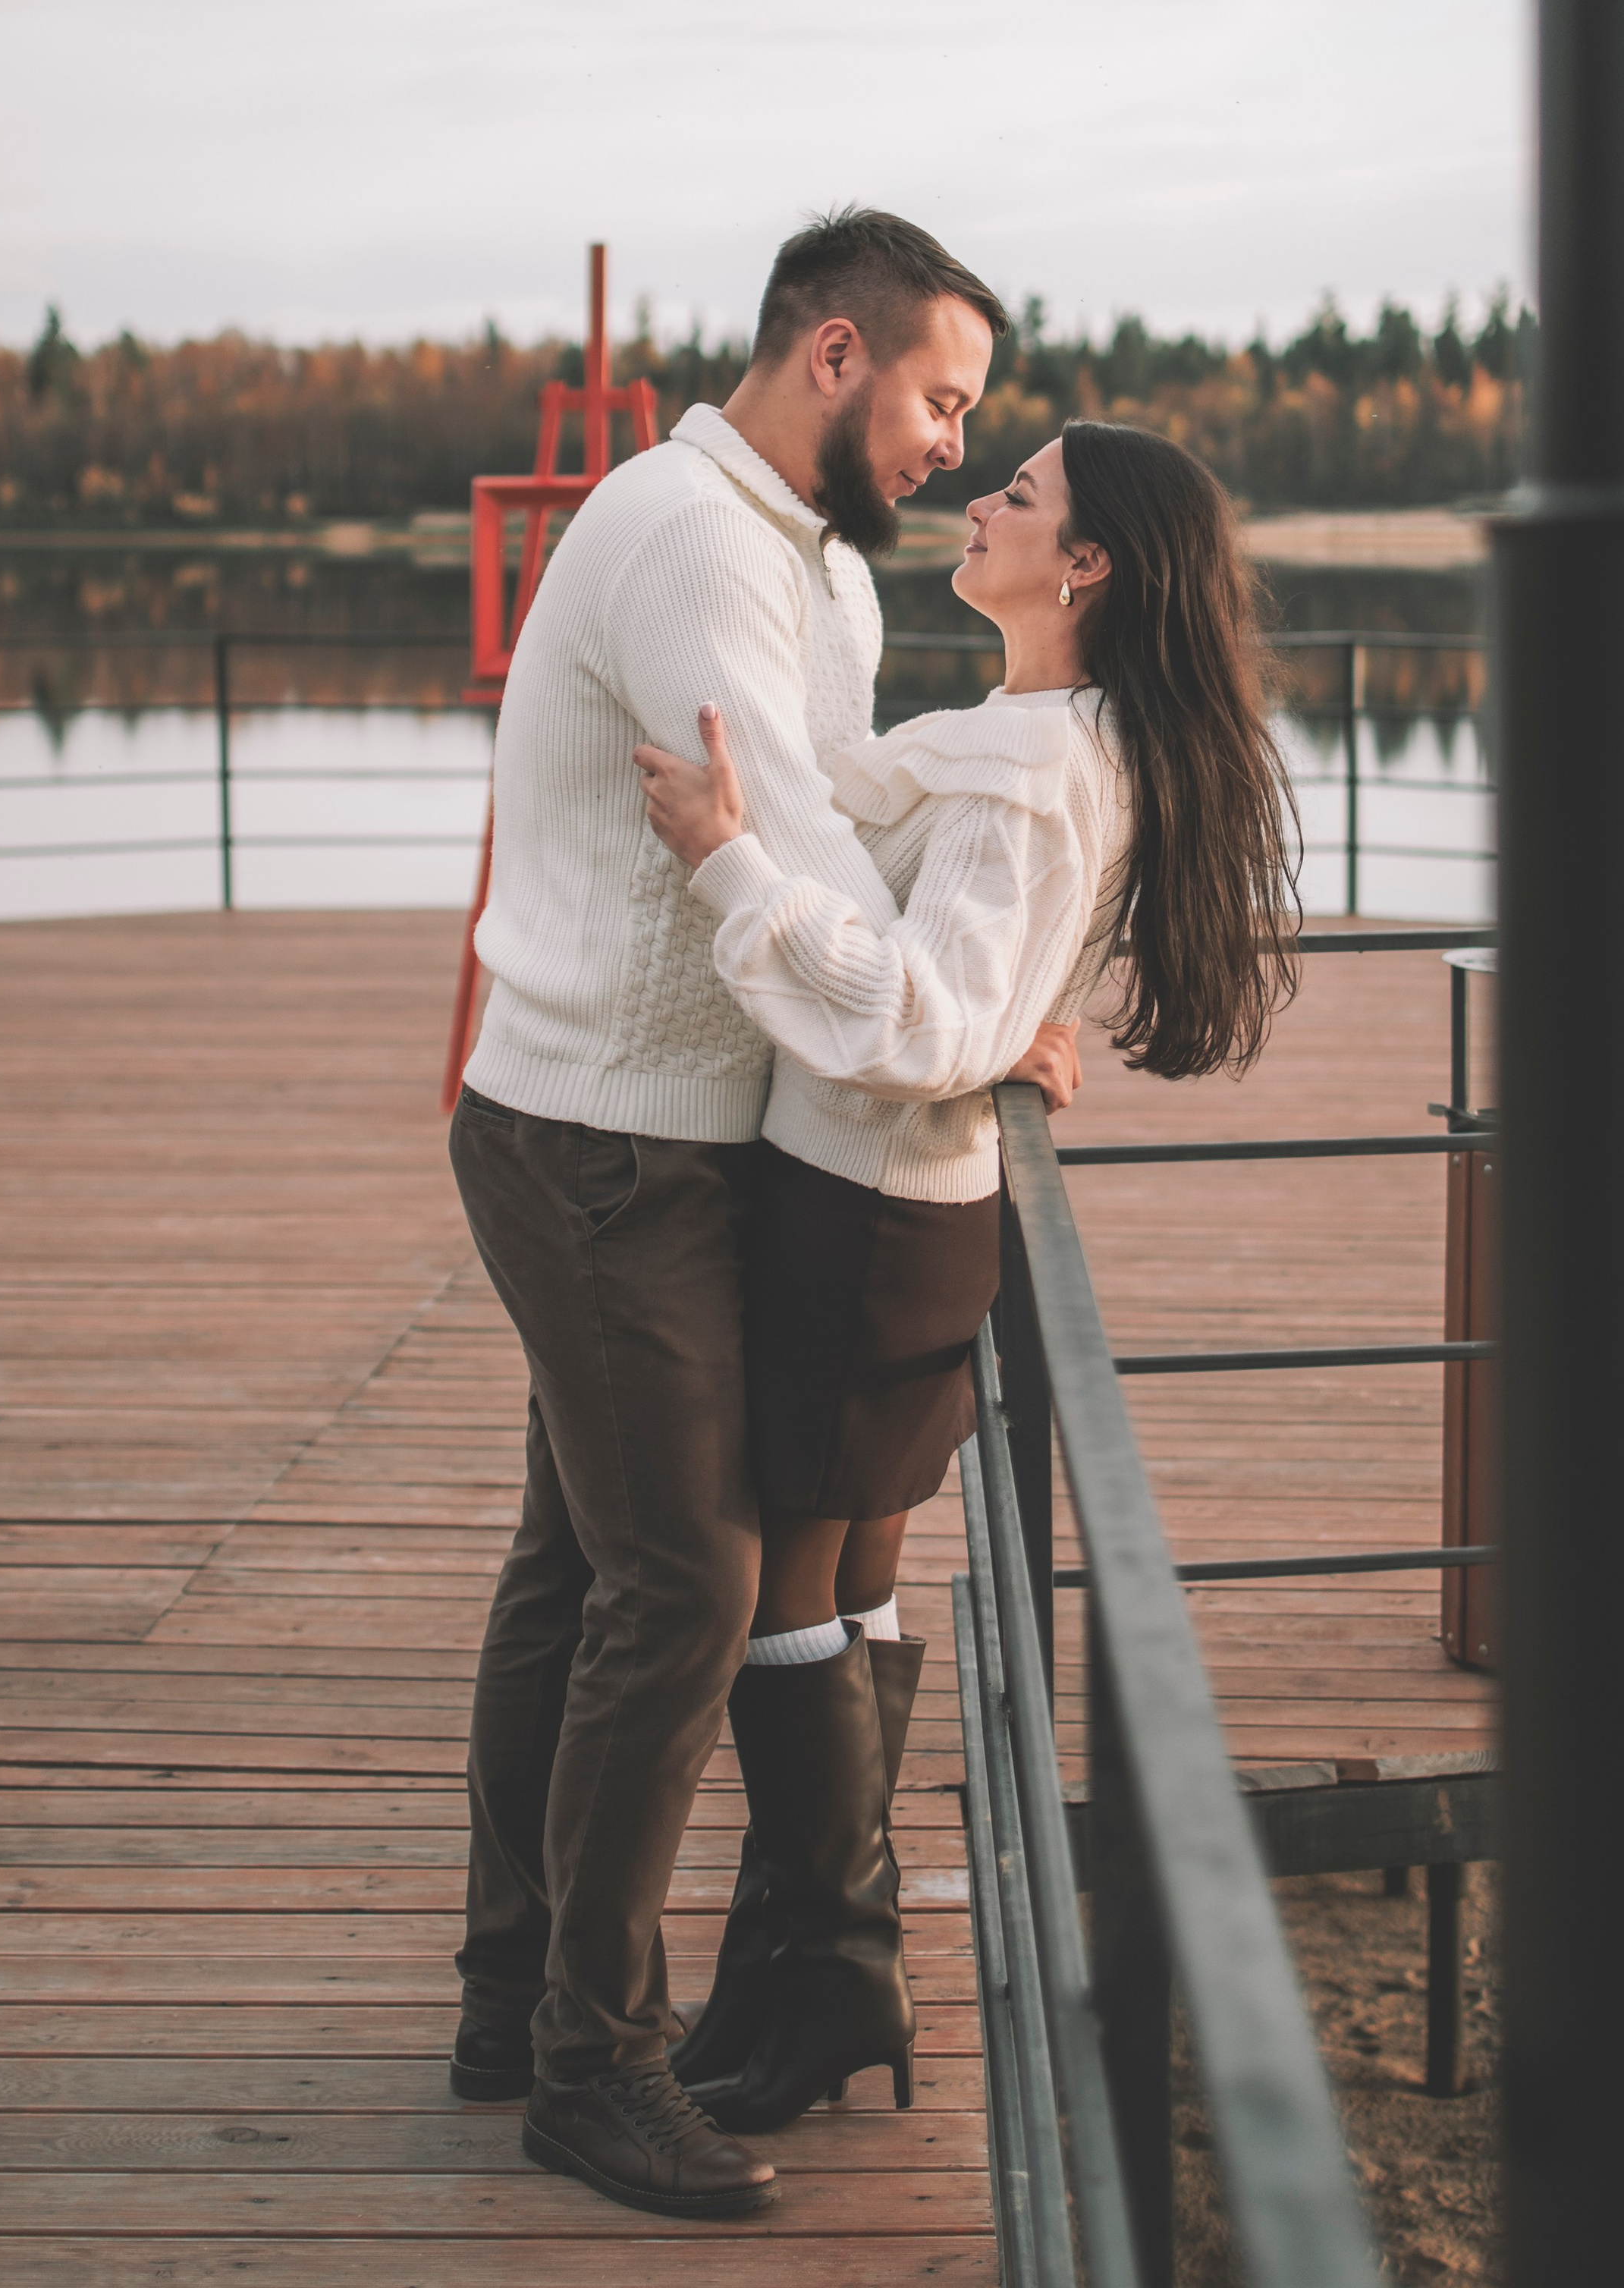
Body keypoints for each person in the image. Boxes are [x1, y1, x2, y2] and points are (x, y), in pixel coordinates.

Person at [445, 206, 1078, 2225]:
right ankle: (592, 2069)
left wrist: (982, 1013)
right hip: (602, 1139)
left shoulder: (802, 563)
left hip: (667, 1130)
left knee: (580, 1569)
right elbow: (793, 840)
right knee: (691, 1591)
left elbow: (847, 809)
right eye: (938, 397)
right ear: (832, 353)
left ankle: (509, 1992)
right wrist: (952, 1017)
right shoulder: (702, 545)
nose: (950, 447)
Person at [634, 419, 1302, 2132]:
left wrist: (723, 865)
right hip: (916, 1210)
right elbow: (949, 935)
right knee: (847, 1582)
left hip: (859, 1211)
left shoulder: (1031, 768)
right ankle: (793, 1971)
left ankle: (839, 1974)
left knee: (784, 1590)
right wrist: (1018, 1024)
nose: (979, 502)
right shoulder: (1041, 738)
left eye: (1017, 495)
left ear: (1080, 565)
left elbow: (916, 1017)